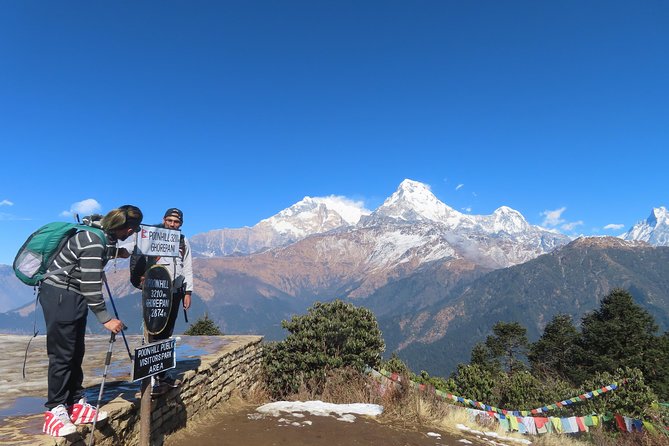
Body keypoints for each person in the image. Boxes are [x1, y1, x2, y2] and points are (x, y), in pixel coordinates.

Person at [40, 205, 143, 437]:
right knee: (62, 353)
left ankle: (75, 403)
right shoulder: (94, 240)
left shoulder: (101, 236)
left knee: (76, 350)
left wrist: (118, 254)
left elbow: (94, 255)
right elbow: (90, 286)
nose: (132, 234)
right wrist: (106, 319)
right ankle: (54, 411)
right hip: (60, 294)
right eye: (133, 230)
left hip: (70, 294)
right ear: (125, 228)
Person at [130, 207, 193, 392]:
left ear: (180, 223)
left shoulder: (182, 240)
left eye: (177, 222)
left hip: (175, 291)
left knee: (167, 332)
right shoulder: (151, 235)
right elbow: (137, 258)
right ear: (164, 219)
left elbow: (187, 264)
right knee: (153, 331)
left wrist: (188, 291)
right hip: (156, 291)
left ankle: (162, 374)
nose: (173, 225)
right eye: (170, 221)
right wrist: (140, 278)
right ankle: (150, 375)